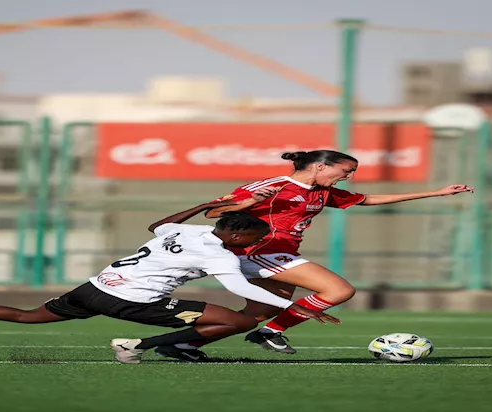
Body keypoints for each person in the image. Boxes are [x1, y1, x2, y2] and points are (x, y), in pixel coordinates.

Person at [0, 201, 339, 364]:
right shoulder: (214, 249)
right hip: (129, 303)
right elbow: (245, 291)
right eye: (251, 238)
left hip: (94, 287)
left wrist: (195, 207)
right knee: (235, 321)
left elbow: (159, 223)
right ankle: (136, 342)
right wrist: (308, 305)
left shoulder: (188, 231)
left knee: (28, 316)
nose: (250, 244)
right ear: (235, 233)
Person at [156, 150, 473, 360]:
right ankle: (271, 333)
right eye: (345, 171)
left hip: (280, 253)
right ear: (321, 165)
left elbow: (368, 199)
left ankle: (182, 345)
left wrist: (436, 192)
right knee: (339, 290)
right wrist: (246, 204)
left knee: (255, 315)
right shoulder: (274, 185)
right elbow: (214, 214)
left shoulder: (322, 192)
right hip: (258, 251)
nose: (347, 176)